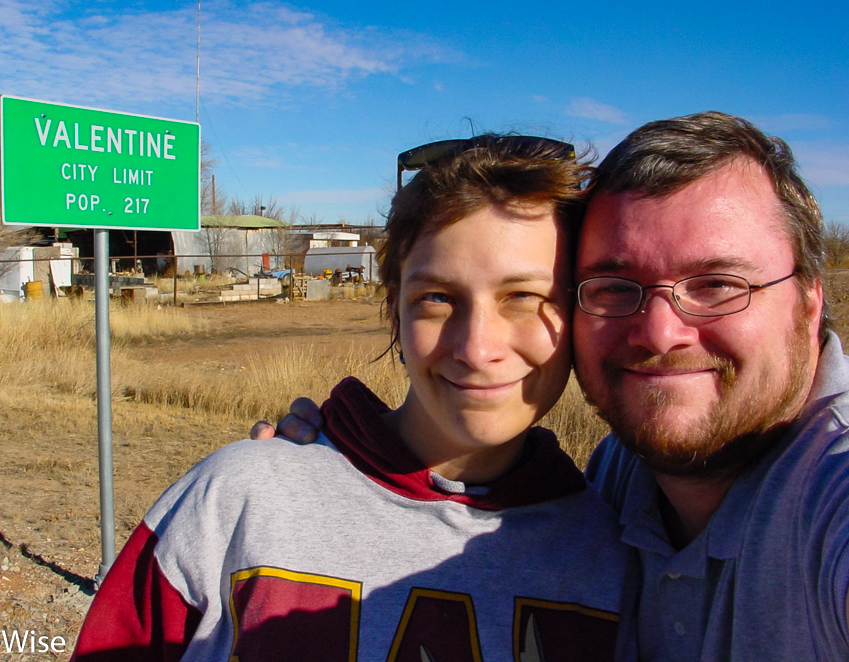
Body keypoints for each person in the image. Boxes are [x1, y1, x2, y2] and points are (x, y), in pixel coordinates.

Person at [261, 111, 849, 661]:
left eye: (718, 284)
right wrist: (291, 487)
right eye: (615, 286)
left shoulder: (832, 493)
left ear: (809, 299)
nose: (659, 334)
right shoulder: (614, 484)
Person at [72, 135, 633, 661]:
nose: (477, 348)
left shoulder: (615, 555)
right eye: (437, 297)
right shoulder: (237, 503)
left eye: (524, 296)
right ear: (394, 310)